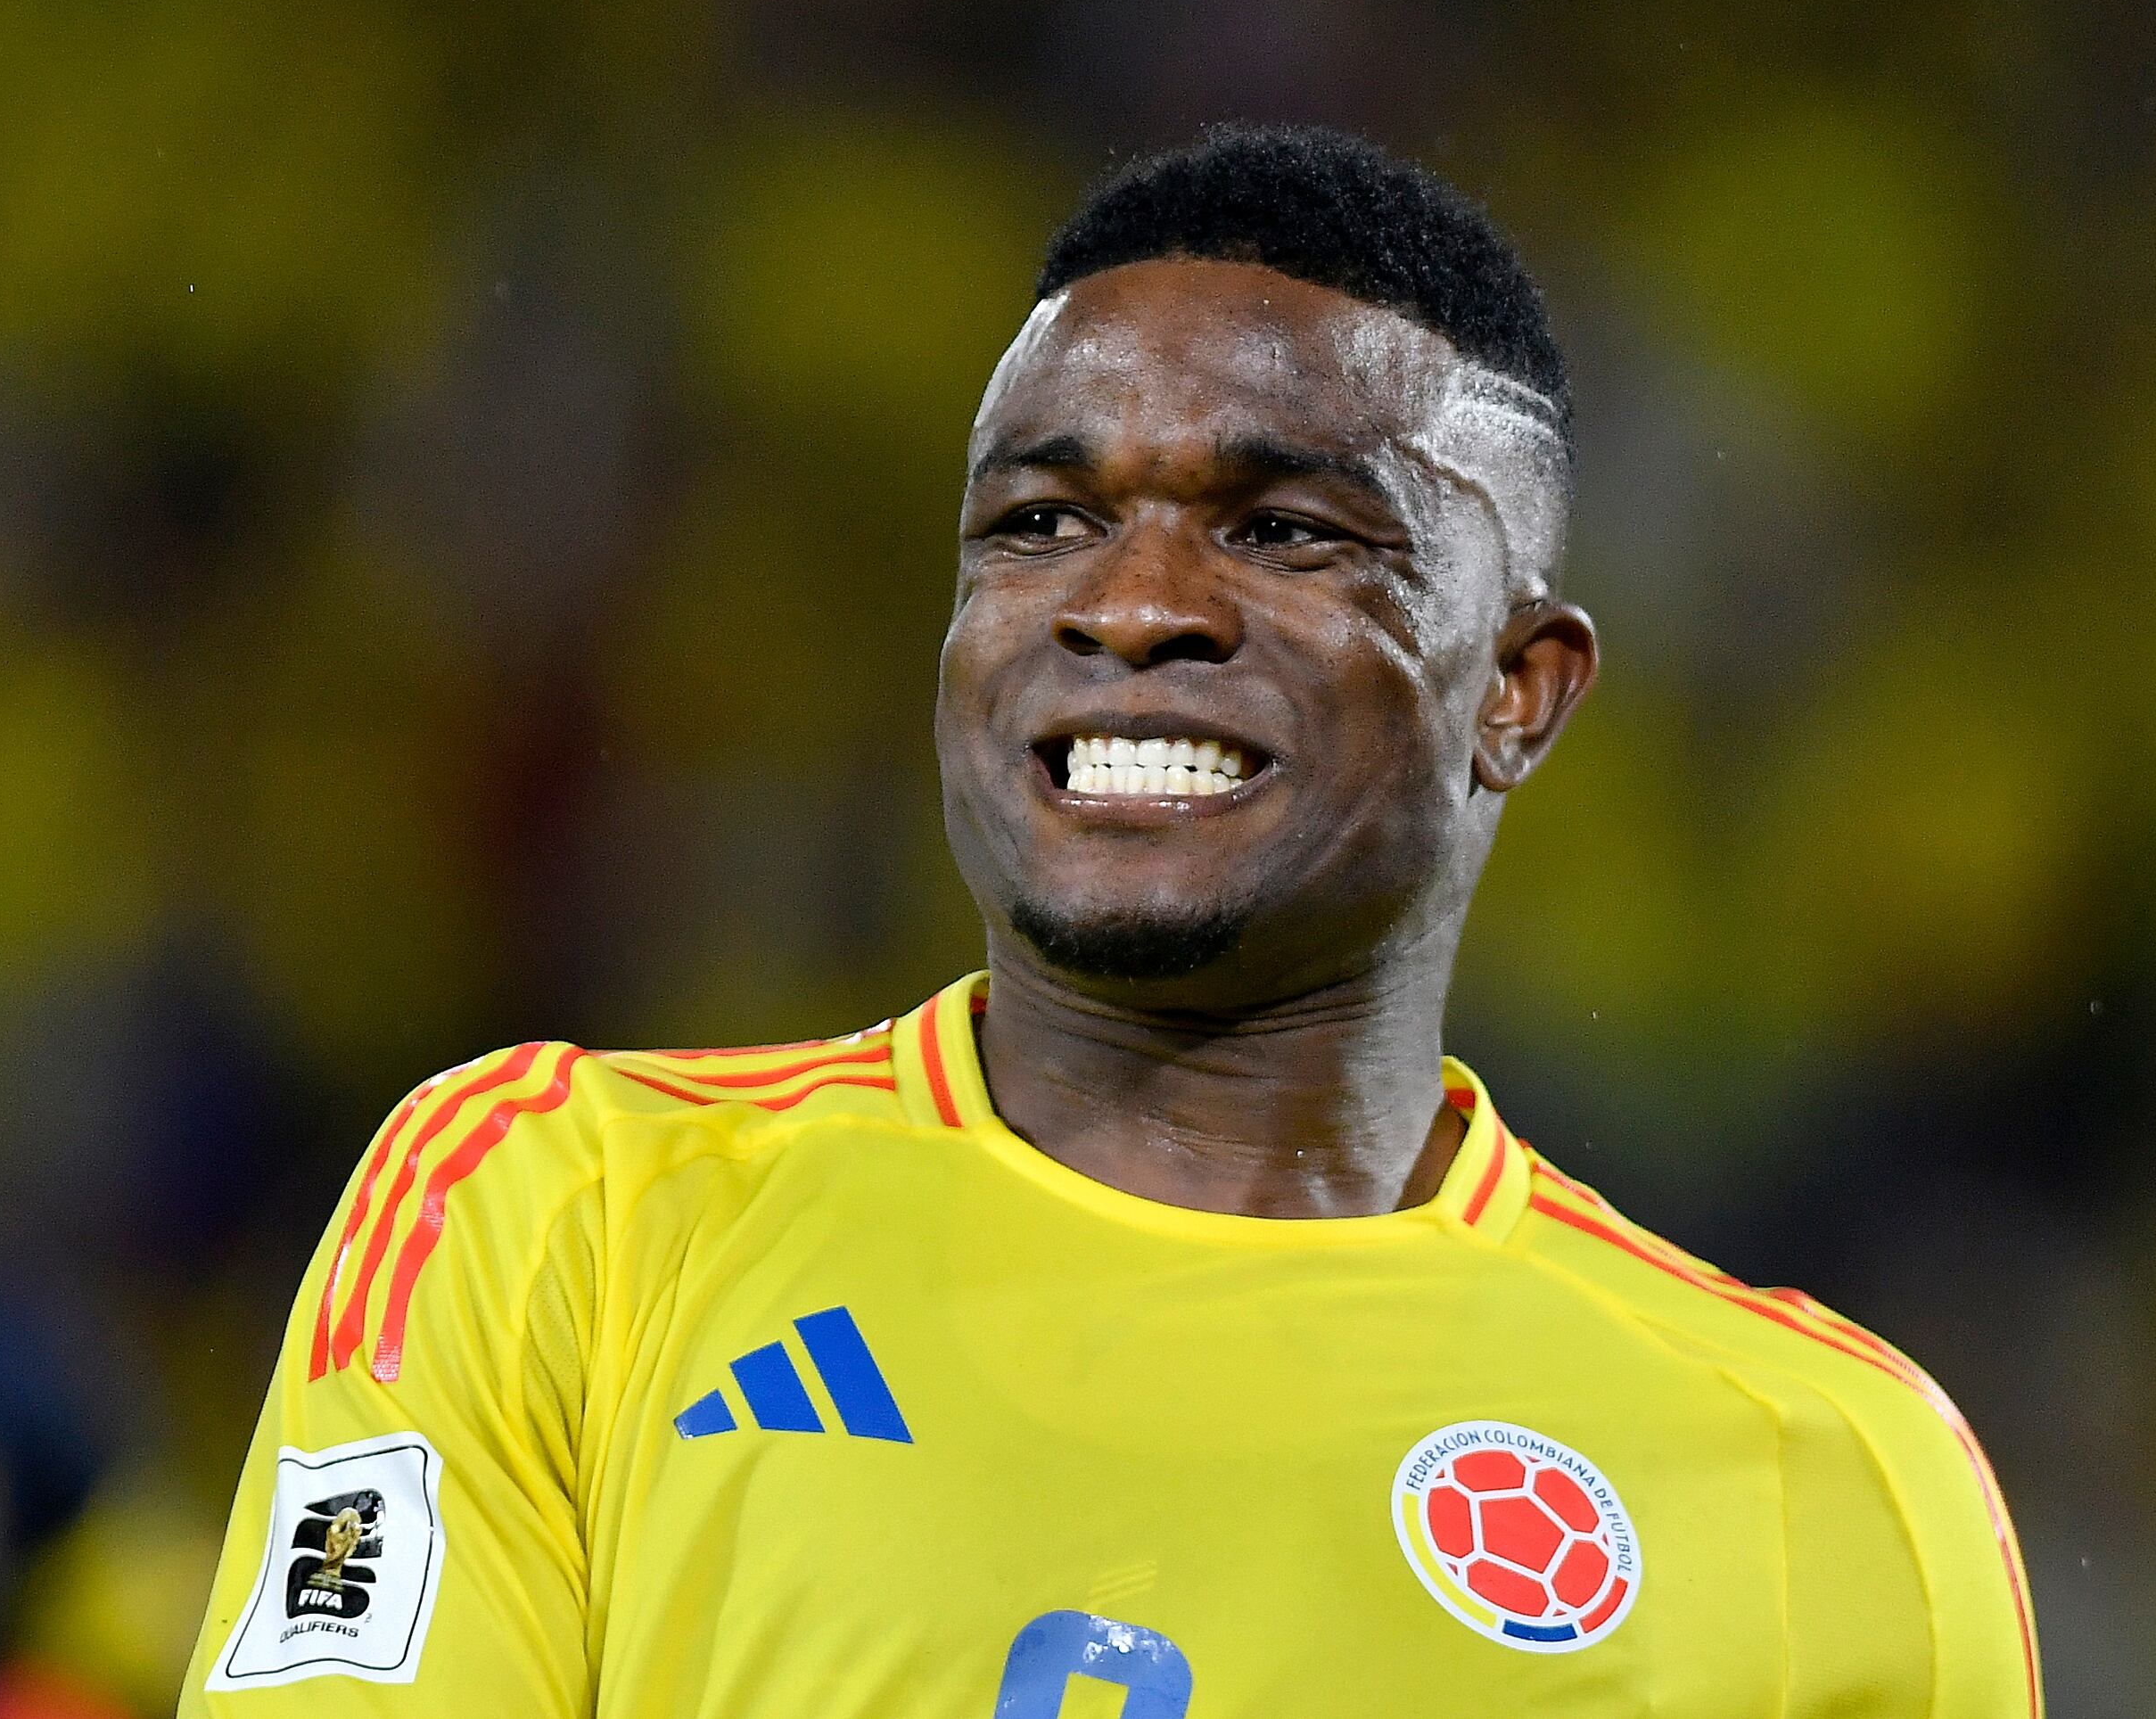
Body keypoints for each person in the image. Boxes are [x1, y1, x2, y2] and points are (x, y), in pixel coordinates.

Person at [178, 126, 2041, 1716]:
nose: (1131, 602)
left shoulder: (1827, 1478)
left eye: (1289, 531)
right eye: (1038, 526)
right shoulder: (561, 1214)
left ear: (1519, 690)